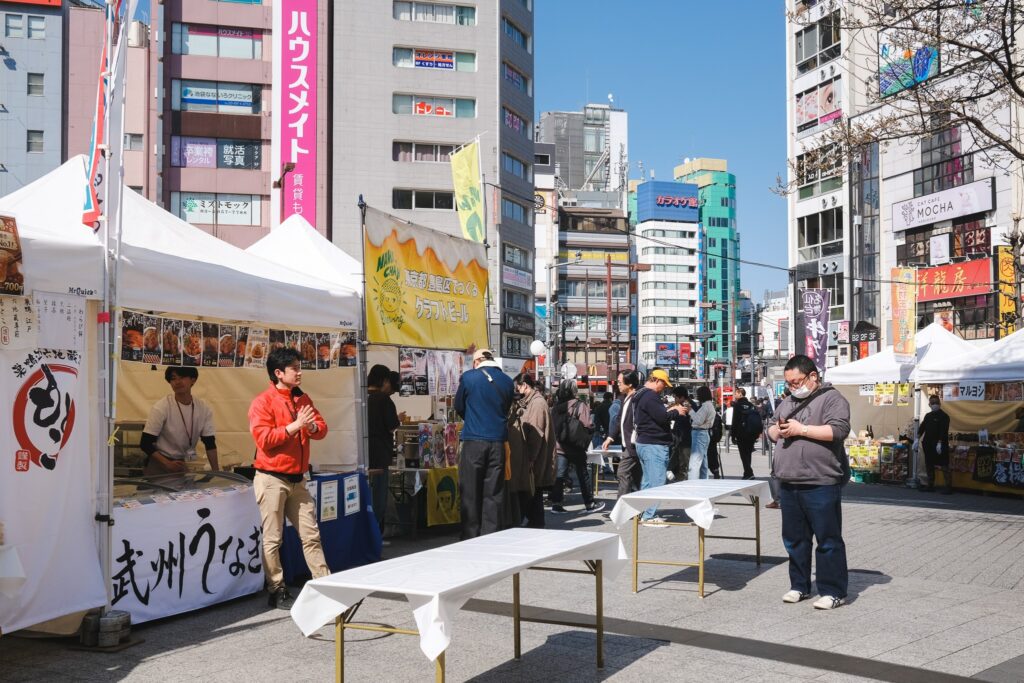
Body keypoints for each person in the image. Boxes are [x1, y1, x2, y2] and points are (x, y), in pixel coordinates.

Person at [767, 354, 851, 611]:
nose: (793, 387)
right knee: (795, 539)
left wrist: (801, 430)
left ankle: (833, 590)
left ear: (813, 376)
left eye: (797, 381)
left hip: (821, 481)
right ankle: (799, 585)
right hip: (789, 482)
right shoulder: (788, 402)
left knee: (827, 538)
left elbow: (837, 431)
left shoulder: (832, 398)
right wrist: (777, 431)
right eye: (789, 383)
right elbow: (770, 429)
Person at [249, 347, 330, 609]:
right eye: (294, 368)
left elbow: (321, 428)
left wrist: (311, 426)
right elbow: (264, 440)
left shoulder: (302, 398)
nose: (300, 372)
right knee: (273, 538)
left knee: (311, 534)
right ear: (278, 373)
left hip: (298, 478)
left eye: (298, 366)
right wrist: (294, 427)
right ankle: (277, 588)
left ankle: (324, 583)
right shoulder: (262, 402)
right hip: (271, 478)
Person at [454, 348, 514, 538]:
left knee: (470, 490)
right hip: (498, 441)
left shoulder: (469, 377)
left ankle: (471, 535)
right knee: (494, 491)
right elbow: (506, 408)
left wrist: (472, 418)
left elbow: (459, 406)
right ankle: (491, 534)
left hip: (474, 439)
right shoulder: (507, 381)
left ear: (478, 360)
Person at [631, 368, 685, 526]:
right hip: (654, 443)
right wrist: (676, 411)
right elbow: (662, 417)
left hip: (644, 441)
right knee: (657, 481)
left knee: (647, 482)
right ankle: (649, 516)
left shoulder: (640, 394)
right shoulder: (651, 396)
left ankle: (644, 513)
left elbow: (654, 416)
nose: (665, 388)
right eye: (664, 384)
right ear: (657, 381)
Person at [141, 367, 219, 476]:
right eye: (173, 378)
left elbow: (210, 443)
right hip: (159, 463)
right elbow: (145, 443)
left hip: (180, 463)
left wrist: (216, 473)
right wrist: (167, 463)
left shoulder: (203, 409)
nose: (177, 382)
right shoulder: (161, 407)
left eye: (182, 377)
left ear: (193, 380)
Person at [507, 374, 556, 527]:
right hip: (533, 459)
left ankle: (535, 527)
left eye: (518, 388)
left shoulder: (537, 403)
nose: (517, 391)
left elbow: (535, 435)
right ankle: (535, 526)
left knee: (532, 494)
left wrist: (530, 459)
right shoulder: (532, 402)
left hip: (534, 460)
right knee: (533, 496)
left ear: (525, 386)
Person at [550, 380, 605, 514]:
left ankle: (556, 504)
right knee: (583, 474)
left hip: (559, 446)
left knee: (559, 475)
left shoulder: (556, 407)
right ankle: (589, 503)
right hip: (575, 446)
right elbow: (588, 424)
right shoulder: (580, 405)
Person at [367, 364, 405, 533]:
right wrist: (398, 420)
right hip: (381, 453)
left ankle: (369, 534)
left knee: (368, 495)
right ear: (384, 380)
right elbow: (391, 427)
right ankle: (376, 535)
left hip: (364, 451)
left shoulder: (363, 397)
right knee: (379, 498)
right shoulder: (384, 400)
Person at [603, 370, 642, 498]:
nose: (618, 385)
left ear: (630, 384)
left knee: (622, 472)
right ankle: (639, 507)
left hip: (634, 445)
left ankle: (621, 508)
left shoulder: (637, 399)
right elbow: (619, 420)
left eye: (620, 382)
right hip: (627, 445)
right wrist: (610, 437)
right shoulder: (625, 399)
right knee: (636, 477)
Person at [918, 395, 952, 494]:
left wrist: (940, 442)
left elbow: (943, 431)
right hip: (928, 444)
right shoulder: (928, 416)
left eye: (936, 402)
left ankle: (948, 487)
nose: (934, 405)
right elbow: (922, 427)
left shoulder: (944, 416)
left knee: (944, 465)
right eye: (932, 403)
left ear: (940, 404)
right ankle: (930, 484)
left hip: (940, 445)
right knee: (929, 464)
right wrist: (917, 438)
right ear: (929, 404)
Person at [731, 387, 761, 480]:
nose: (735, 395)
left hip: (741, 433)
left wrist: (733, 435)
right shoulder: (751, 405)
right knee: (748, 453)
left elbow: (735, 421)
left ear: (740, 394)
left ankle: (749, 472)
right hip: (751, 433)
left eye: (736, 393)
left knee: (743, 454)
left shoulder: (737, 405)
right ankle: (746, 473)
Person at [689, 385, 716, 480]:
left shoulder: (705, 406)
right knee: (703, 461)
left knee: (695, 461)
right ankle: (704, 481)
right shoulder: (710, 405)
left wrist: (690, 411)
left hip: (699, 433)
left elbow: (698, 420)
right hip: (705, 433)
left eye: (698, 394)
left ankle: (692, 484)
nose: (697, 396)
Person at [668, 386, 692, 481]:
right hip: (679, 438)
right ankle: (679, 480)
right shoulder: (679, 406)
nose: (675, 399)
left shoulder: (687, 406)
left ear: (682, 397)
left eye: (676, 397)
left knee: (683, 464)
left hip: (684, 440)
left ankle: (681, 482)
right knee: (677, 463)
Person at [708, 407, 724, 478]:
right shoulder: (716, 415)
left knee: (705, 455)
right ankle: (715, 470)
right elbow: (719, 428)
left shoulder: (704, 413)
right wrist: (718, 438)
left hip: (706, 437)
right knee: (713, 455)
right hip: (713, 439)